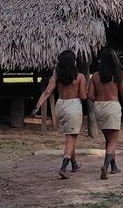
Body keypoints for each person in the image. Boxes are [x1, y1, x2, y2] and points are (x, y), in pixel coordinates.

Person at [32, 49, 88, 179]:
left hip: (61, 105)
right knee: (71, 138)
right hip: (74, 106)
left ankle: (74, 164)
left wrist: (37, 105)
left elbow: (47, 91)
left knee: (69, 135)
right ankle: (63, 167)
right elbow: (83, 96)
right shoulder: (79, 77)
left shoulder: (57, 75)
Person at [88, 47, 123, 179]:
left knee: (108, 140)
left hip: (99, 107)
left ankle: (114, 167)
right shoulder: (118, 75)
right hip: (112, 106)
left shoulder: (95, 76)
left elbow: (90, 96)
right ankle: (106, 166)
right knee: (114, 140)